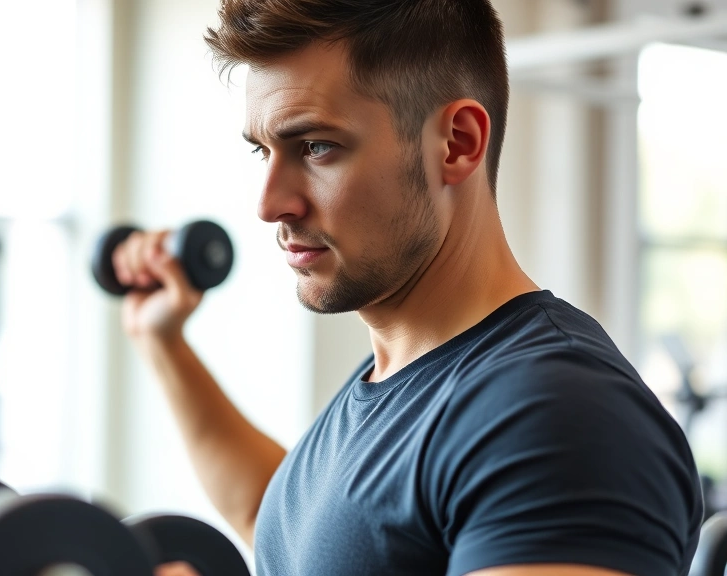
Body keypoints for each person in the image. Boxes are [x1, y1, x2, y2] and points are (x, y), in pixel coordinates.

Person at [114, 1, 703, 575]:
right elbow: (303, 530)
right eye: (262, 151)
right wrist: (163, 344)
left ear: (458, 143)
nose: (269, 204)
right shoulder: (407, 375)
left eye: (317, 147)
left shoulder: (555, 414)